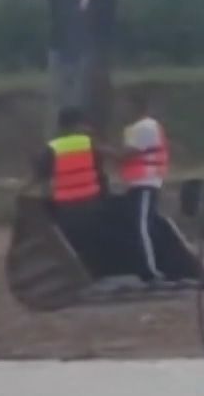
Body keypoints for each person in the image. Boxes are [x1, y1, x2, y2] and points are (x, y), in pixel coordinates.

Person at [34, 106, 109, 252]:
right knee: (93, 240)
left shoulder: (53, 147)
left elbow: (42, 175)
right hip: (91, 202)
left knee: (70, 244)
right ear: (78, 124)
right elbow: (100, 171)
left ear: (60, 126)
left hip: (66, 206)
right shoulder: (89, 143)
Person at [117, 89, 170, 282]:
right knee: (143, 225)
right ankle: (148, 267)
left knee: (143, 227)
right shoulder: (134, 128)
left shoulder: (144, 127)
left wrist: (98, 149)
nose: (120, 110)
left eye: (124, 106)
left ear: (135, 107)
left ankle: (150, 271)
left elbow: (127, 154)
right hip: (137, 181)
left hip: (146, 181)